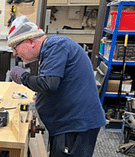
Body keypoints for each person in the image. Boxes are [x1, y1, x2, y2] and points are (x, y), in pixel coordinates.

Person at [8, 16, 106, 157]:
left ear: (30, 41)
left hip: (75, 125)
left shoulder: (56, 46)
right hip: (67, 124)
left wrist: (23, 77)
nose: (15, 53)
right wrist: (43, 96)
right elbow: (58, 82)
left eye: (15, 47)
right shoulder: (51, 49)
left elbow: (49, 84)